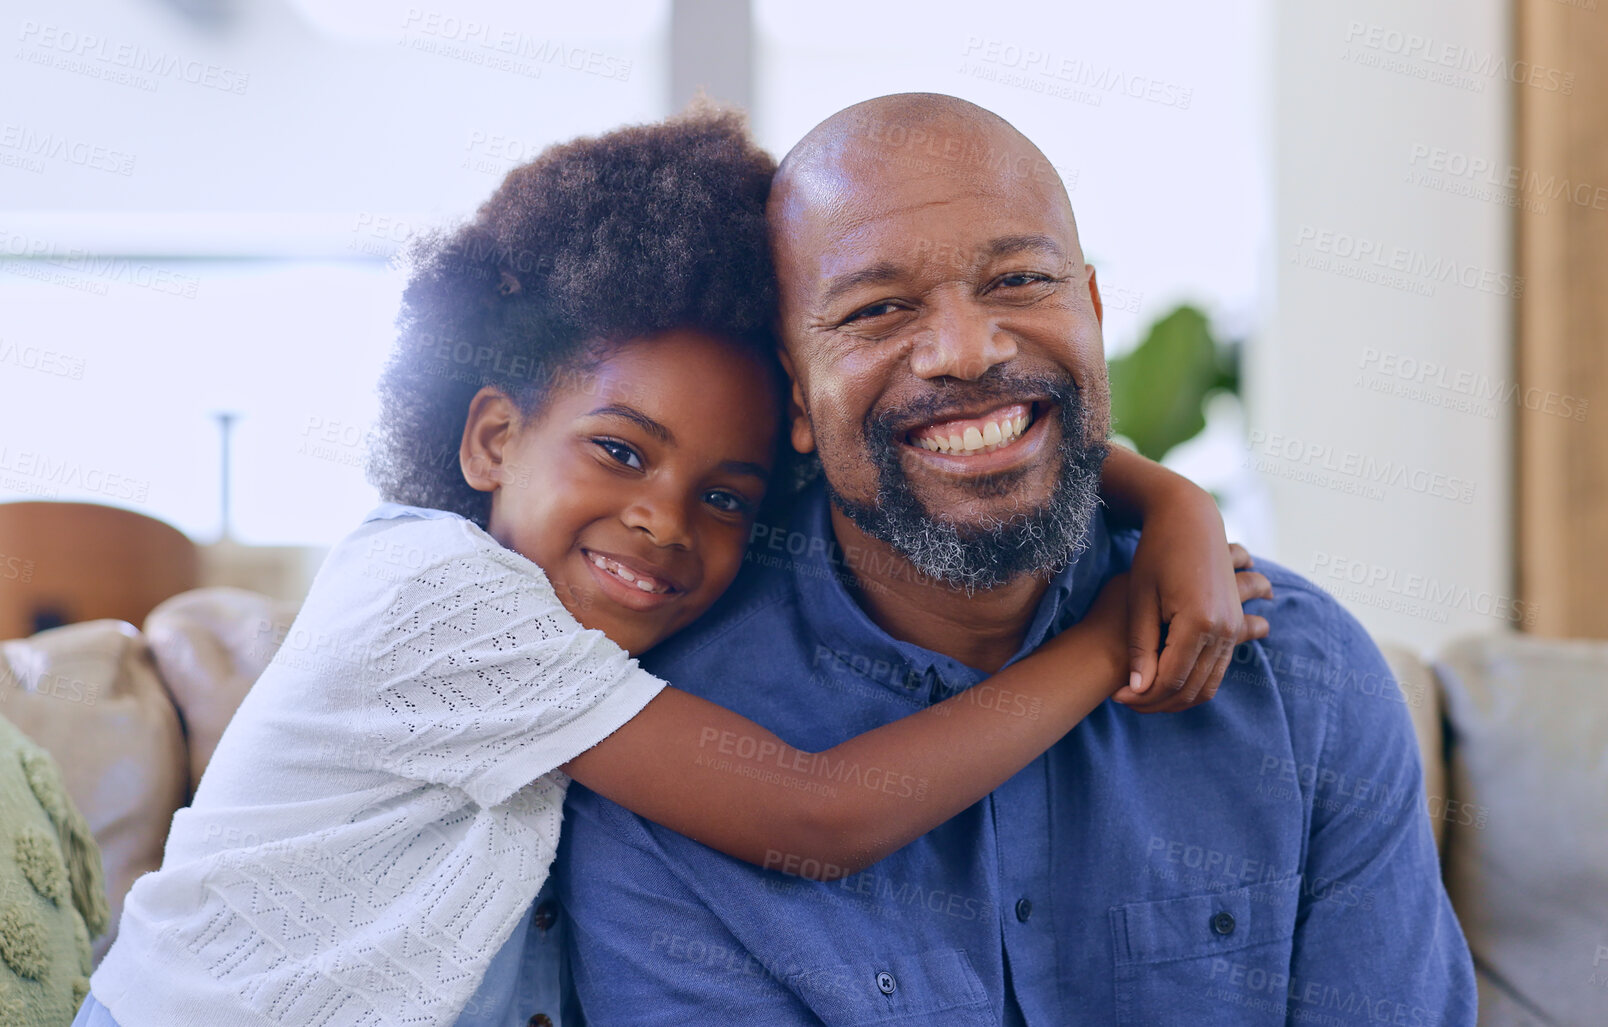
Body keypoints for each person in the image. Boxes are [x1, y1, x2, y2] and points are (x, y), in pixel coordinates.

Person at [75, 108, 1263, 1027]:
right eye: (618, 450)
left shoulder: (604, 655)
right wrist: (1106, 642)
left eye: (726, 494)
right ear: (491, 435)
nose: (662, 519)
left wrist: (1166, 496)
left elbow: (927, 434)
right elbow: (822, 813)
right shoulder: (433, 594)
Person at [559, 93, 1477, 1025]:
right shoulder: (670, 754)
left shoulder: (1300, 682)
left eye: (1017, 282)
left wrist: (1171, 499)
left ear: (1091, 310)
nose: (965, 350)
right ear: (796, 399)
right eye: (877, 309)